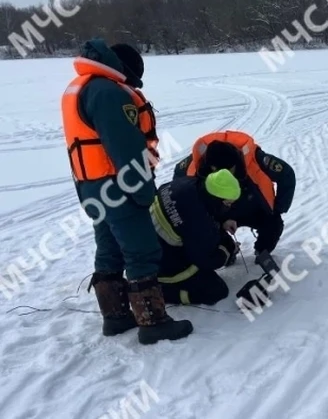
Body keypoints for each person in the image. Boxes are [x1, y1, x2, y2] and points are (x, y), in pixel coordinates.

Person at [60, 38, 193, 344]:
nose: (131, 86)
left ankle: (115, 316)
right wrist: (143, 191)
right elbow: (126, 149)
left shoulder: (82, 86)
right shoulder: (108, 93)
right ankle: (153, 322)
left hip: (91, 186)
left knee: (109, 248)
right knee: (141, 251)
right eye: (132, 79)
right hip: (119, 186)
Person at [173, 130, 295, 259]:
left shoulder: (254, 158)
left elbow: (286, 174)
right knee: (202, 231)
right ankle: (227, 253)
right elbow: (178, 186)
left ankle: (261, 251)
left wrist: (278, 208)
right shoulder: (195, 165)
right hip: (217, 213)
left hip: (251, 207)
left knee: (273, 224)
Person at [150, 169, 242, 305]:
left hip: (147, 239)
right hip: (159, 262)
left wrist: (222, 221)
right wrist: (227, 250)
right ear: (216, 199)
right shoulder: (198, 221)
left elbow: (202, 212)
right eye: (227, 204)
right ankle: (163, 292)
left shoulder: (189, 183)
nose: (229, 207)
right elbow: (207, 260)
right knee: (216, 291)